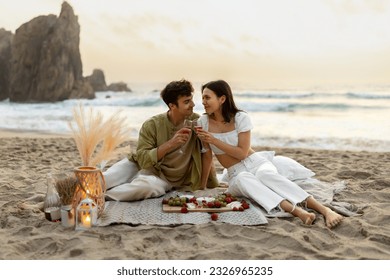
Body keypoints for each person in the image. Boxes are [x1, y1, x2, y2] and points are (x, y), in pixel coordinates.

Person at [196, 80, 343, 228]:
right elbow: (207, 156)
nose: (203, 102)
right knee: (243, 178)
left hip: (255, 162)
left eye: (207, 98)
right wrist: (201, 186)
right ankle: (298, 212)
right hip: (235, 174)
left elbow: (241, 153)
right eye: (202, 98)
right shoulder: (203, 123)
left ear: (222, 99)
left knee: (265, 175)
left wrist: (214, 140)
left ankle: (325, 210)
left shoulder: (240, 118)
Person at [103, 79, 219, 201]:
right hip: (141, 164)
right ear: (172, 106)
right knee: (104, 179)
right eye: (187, 102)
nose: (193, 105)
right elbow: (142, 160)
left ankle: (99, 197)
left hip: (163, 179)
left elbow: (207, 153)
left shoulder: (197, 123)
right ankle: (86, 191)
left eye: (191, 99)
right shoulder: (152, 125)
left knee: (143, 188)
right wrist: (171, 144)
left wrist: (202, 187)